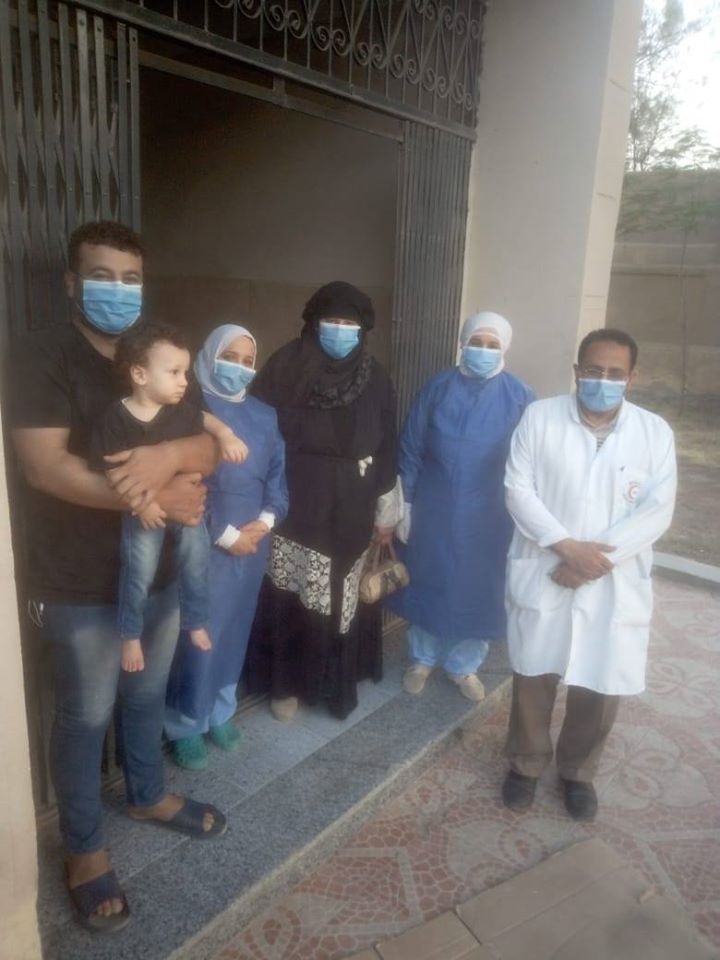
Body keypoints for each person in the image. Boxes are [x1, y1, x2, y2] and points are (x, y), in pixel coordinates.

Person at [8, 221, 227, 934]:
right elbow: (46, 468)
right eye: (102, 276)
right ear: (71, 283)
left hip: (156, 573)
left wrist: (170, 459)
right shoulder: (40, 355)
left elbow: (206, 444)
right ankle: (83, 847)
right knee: (84, 715)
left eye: (131, 278)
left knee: (145, 694)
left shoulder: (157, 356)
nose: (118, 290)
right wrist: (153, 493)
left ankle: (147, 793)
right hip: (74, 579)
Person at [502, 328, 677, 821]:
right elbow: (518, 489)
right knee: (534, 674)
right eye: (594, 370)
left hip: (611, 578)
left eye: (615, 373)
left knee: (601, 679)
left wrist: (590, 564)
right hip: (547, 564)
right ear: (577, 372)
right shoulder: (540, 418)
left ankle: (578, 772)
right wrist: (566, 547)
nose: (604, 380)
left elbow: (657, 511)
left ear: (632, 378)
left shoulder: (654, 433)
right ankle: (525, 764)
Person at [245, 281, 399, 721]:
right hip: (295, 498)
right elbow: (256, 432)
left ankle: (336, 681)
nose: (339, 330)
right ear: (313, 323)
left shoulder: (375, 376)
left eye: (349, 323)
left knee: (342, 590)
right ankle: (287, 683)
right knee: (293, 591)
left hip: (354, 501)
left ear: (363, 329)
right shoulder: (284, 367)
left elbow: (388, 443)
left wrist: (387, 510)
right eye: (331, 320)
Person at [388, 312, 535, 700]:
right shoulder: (437, 388)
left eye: (492, 345)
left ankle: (464, 665)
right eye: (476, 342)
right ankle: (422, 659)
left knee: (478, 588)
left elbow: (532, 460)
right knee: (429, 581)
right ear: (462, 343)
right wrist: (406, 503)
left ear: (504, 348)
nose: (482, 351)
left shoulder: (521, 397)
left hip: (490, 515)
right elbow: (412, 446)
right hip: (434, 508)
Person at [91, 321, 248, 673]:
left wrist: (227, 436)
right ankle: (130, 633)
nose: (184, 382)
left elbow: (207, 421)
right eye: (174, 372)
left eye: (185, 372)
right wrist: (144, 504)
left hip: (185, 507)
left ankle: (195, 620)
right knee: (139, 570)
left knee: (196, 557)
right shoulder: (114, 418)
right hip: (141, 509)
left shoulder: (181, 410)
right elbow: (111, 471)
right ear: (140, 375)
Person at [165, 324, 288, 769]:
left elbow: (277, 475)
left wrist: (266, 520)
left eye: (247, 361)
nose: (238, 367)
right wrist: (226, 534)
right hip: (203, 544)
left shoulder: (264, 415)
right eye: (229, 357)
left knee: (235, 629)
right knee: (198, 634)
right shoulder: (189, 412)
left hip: (252, 547)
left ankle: (219, 711)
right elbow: (182, 483)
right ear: (208, 356)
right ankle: (185, 722)